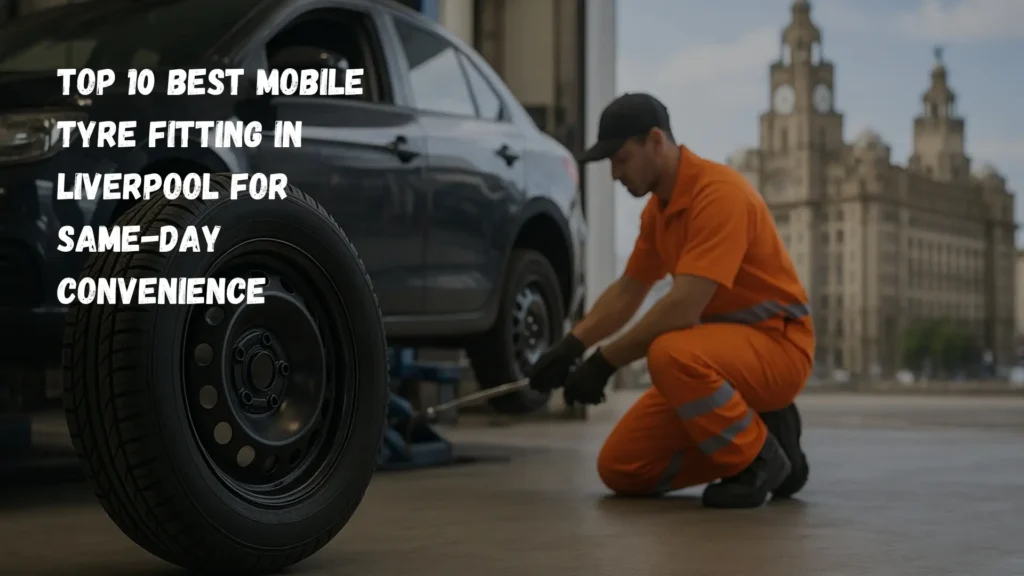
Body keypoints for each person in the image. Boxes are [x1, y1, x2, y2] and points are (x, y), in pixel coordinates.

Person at [528, 93, 813, 509]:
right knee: (622, 468)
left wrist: (604, 362)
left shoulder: (719, 195)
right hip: (720, 359)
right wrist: (572, 345)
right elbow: (629, 291)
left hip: (778, 349)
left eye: (621, 158)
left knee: (668, 353)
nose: (614, 173)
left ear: (655, 142)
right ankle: (769, 438)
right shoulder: (658, 212)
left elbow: (683, 308)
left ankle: (757, 460)